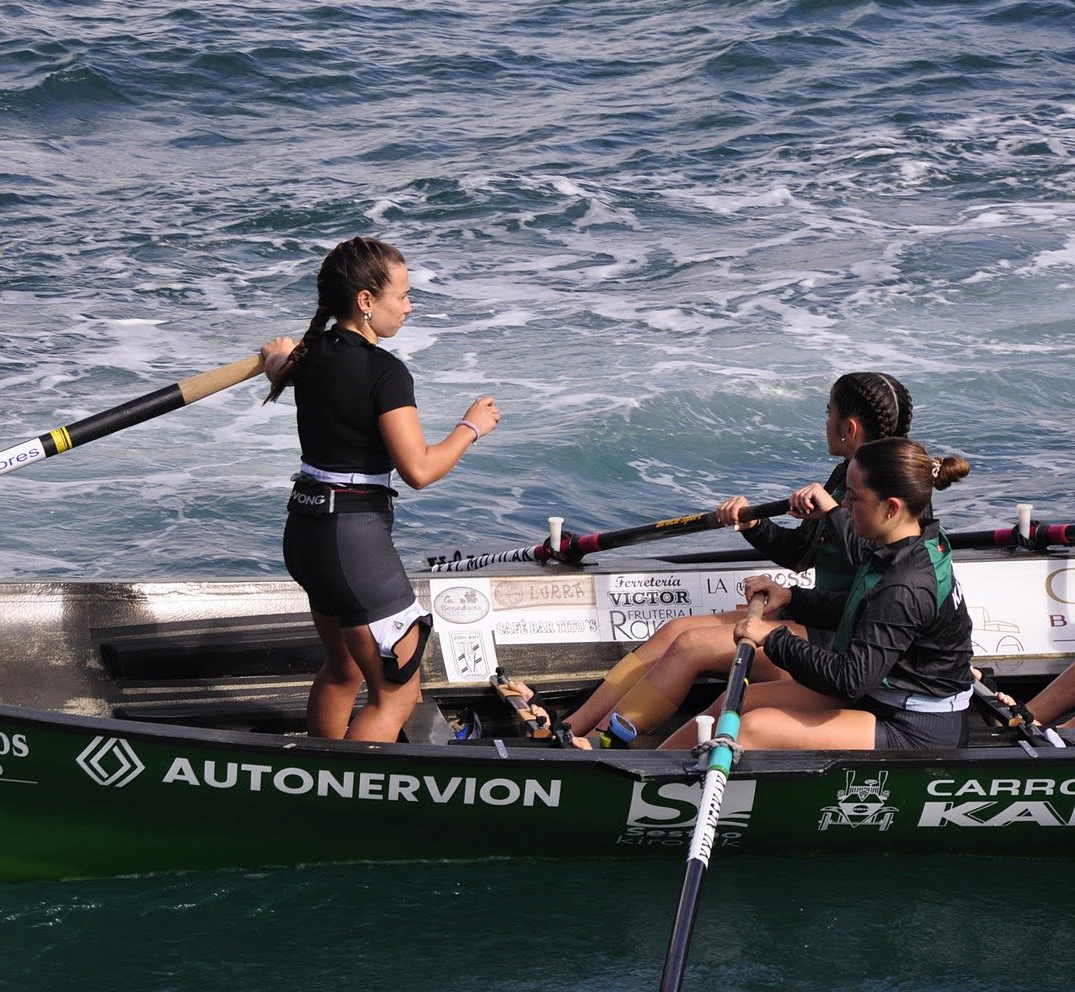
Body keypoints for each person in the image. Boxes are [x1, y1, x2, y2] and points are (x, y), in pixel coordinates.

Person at [565, 372, 914, 746]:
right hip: (820, 617)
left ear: (848, 428)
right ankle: (572, 728)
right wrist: (754, 523)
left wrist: (833, 513)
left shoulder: (899, 492)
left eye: (827, 413)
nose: (824, 422)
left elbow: (876, 564)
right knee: (675, 631)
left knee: (691, 646)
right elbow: (800, 555)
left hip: (843, 641)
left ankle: (604, 742)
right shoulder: (845, 475)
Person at [261, 236, 499, 742]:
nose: (410, 307)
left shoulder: (310, 355)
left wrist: (275, 356)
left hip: (305, 533)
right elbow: (418, 470)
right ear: (366, 301)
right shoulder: (386, 373)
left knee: (343, 671)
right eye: (403, 296)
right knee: (396, 693)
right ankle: (343, 805)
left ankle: (317, 782)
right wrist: (470, 428)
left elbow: (280, 364)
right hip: (353, 541)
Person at [657, 436, 974, 751]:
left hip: (916, 726)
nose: (845, 506)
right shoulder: (913, 539)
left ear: (891, 507)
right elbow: (866, 607)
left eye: (853, 497)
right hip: (880, 690)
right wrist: (792, 598)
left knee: (751, 729)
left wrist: (773, 637)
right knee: (738, 700)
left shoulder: (905, 583)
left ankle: (659, 788)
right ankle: (654, 767)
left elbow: (850, 679)